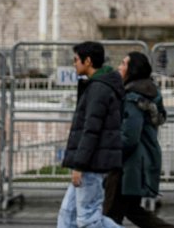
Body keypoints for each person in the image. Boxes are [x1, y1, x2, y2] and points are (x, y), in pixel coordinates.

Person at [103, 52, 174, 228]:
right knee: (132, 211)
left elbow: (129, 137)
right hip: (139, 163)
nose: (119, 67)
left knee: (110, 215)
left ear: (132, 70)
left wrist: (110, 155)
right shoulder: (148, 92)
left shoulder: (133, 97)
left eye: (123, 63)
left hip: (128, 166)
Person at [58, 41, 124, 228]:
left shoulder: (98, 89)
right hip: (90, 161)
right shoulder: (97, 86)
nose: (74, 64)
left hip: (91, 163)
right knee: (67, 216)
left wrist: (79, 165)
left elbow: (91, 130)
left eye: (76, 59)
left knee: (88, 219)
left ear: (87, 61)